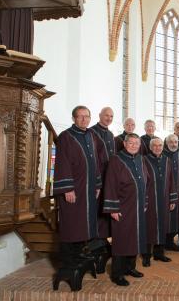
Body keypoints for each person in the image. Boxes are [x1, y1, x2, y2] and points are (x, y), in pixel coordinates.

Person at [53, 105, 104, 267]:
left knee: (85, 222)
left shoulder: (91, 135)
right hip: (74, 189)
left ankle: (81, 253)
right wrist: (68, 188)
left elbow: (95, 161)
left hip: (88, 189)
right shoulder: (66, 136)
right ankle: (69, 259)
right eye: (80, 116)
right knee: (72, 223)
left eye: (87, 116)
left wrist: (97, 184)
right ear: (74, 118)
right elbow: (63, 164)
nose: (84, 119)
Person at [103, 133, 150, 286]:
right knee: (122, 240)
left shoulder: (140, 158)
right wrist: (113, 209)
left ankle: (130, 268)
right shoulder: (116, 160)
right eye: (131, 143)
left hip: (138, 207)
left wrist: (145, 202)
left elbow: (146, 182)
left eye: (137, 143)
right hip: (123, 207)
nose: (134, 145)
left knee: (135, 238)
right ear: (124, 143)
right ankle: (117, 274)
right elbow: (110, 184)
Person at [142, 138, 177, 267]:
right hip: (150, 200)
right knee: (149, 227)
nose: (157, 147)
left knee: (162, 226)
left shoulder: (167, 160)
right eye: (155, 145)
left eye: (160, 145)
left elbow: (171, 180)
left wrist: (172, 199)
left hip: (164, 199)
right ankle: (146, 255)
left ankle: (159, 253)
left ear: (163, 147)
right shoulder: (144, 160)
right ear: (150, 147)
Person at [89, 107, 115, 268]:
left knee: (107, 210)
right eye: (106, 115)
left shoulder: (111, 135)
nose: (109, 118)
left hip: (110, 179)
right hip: (97, 180)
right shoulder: (91, 132)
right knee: (97, 211)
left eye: (111, 116)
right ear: (99, 116)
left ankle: (104, 241)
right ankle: (97, 244)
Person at [164, 134, 179, 251]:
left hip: (177, 191)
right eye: (171, 142)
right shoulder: (162, 154)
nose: (173, 144)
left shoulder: (178, 154)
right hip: (164, 191)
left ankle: (170, 241)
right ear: (166, 143)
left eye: (175, 142)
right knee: (165, 217)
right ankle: (161, 243)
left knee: (174, 218)